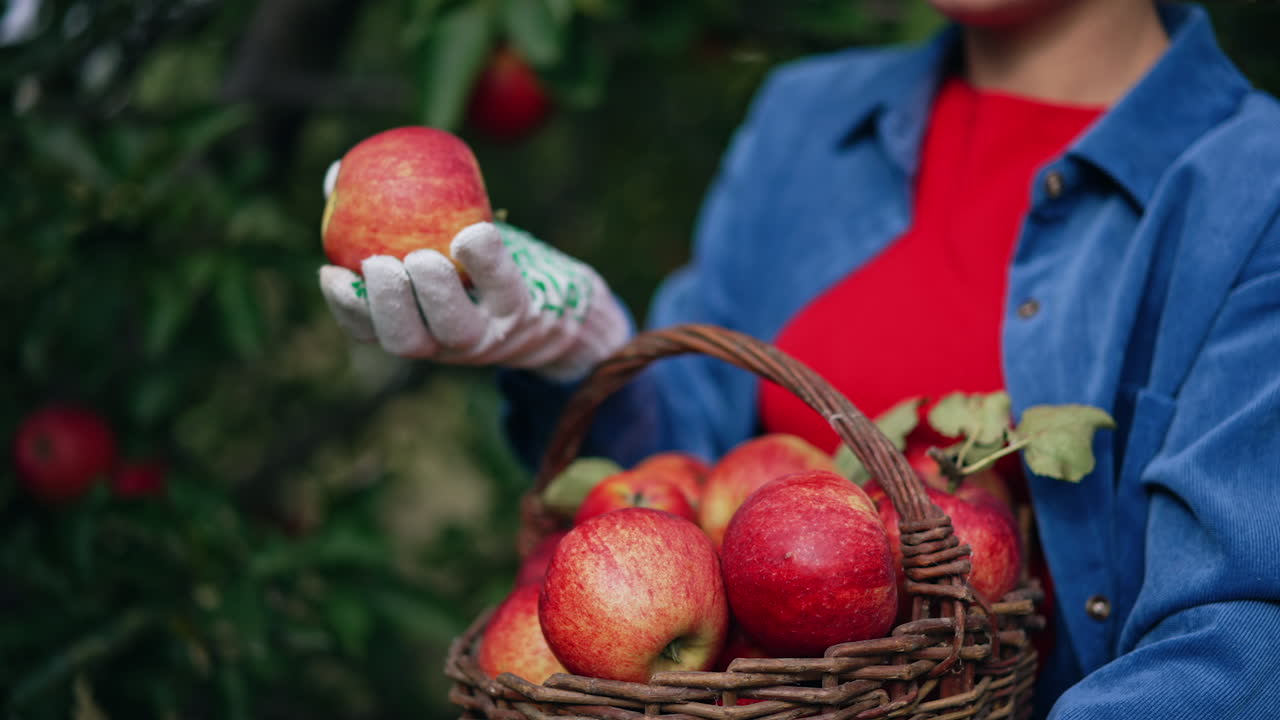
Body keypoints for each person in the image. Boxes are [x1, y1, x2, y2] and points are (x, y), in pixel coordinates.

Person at [318, 1, 1280, 717]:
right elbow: (683, 485)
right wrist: (586, 354)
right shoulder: (801, 127)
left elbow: (1238, 639)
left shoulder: (1254, 193)